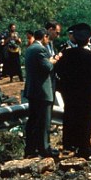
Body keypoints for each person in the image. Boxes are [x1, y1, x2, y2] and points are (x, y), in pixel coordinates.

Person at [55, 23, 91, 157]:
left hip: (70, 92)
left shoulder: (66, 54)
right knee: (86, 119)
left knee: (70, 116)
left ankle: (69, 145)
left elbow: (57, 71)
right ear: (89, 38)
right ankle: (84, 147)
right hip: (87, 93)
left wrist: (62, 86)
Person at [23, 29, 58, 158]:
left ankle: (31, 148)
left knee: (33, 120)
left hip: (33, 90)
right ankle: (44, 148)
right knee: (44, 121)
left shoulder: (30, 48)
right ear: (44, 37)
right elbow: (47, 67)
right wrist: (53, 61)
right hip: (42, 91)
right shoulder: (40, 49)